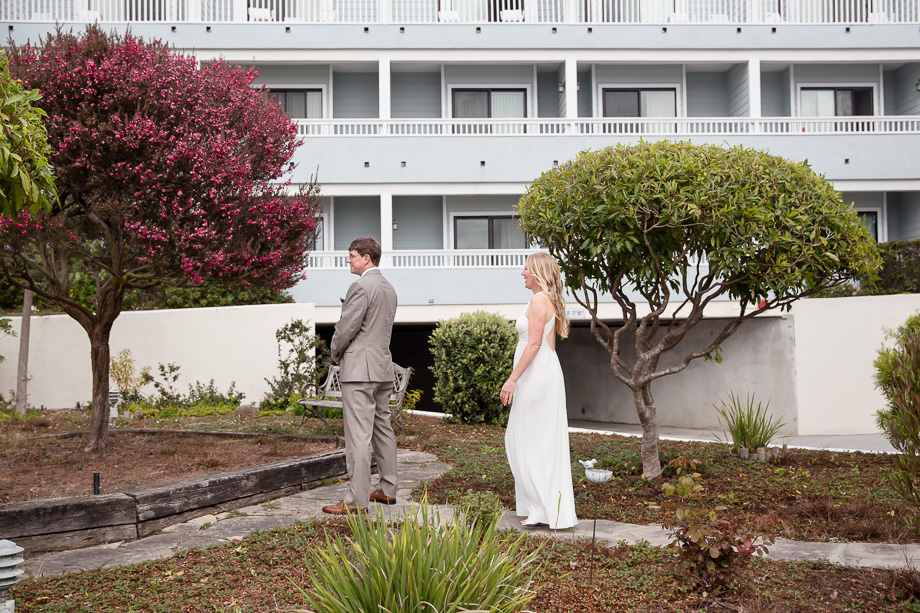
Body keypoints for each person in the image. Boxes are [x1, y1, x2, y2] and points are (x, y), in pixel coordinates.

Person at [500, 252, 578, 529]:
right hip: (543, 372)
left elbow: (534, 344)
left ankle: (540, 508)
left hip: (536, 375)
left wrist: (513, 379)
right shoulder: (545, 299)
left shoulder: (538, 300)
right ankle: (539, 506)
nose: (522, 273)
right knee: (534, 438)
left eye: (526, 268)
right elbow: (549, 345)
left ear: (537, 272)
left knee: (525, 438)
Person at [323, 237, 399, 515]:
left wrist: (335, 351)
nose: (348, 260)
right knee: (382, 428)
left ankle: (357, 500)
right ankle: (388, 489)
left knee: (358, 436)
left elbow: (347, 327)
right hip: (382, 368)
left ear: (367, 258)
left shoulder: (361, 286)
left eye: (352, 255)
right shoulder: (389, 288)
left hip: (359, 371)